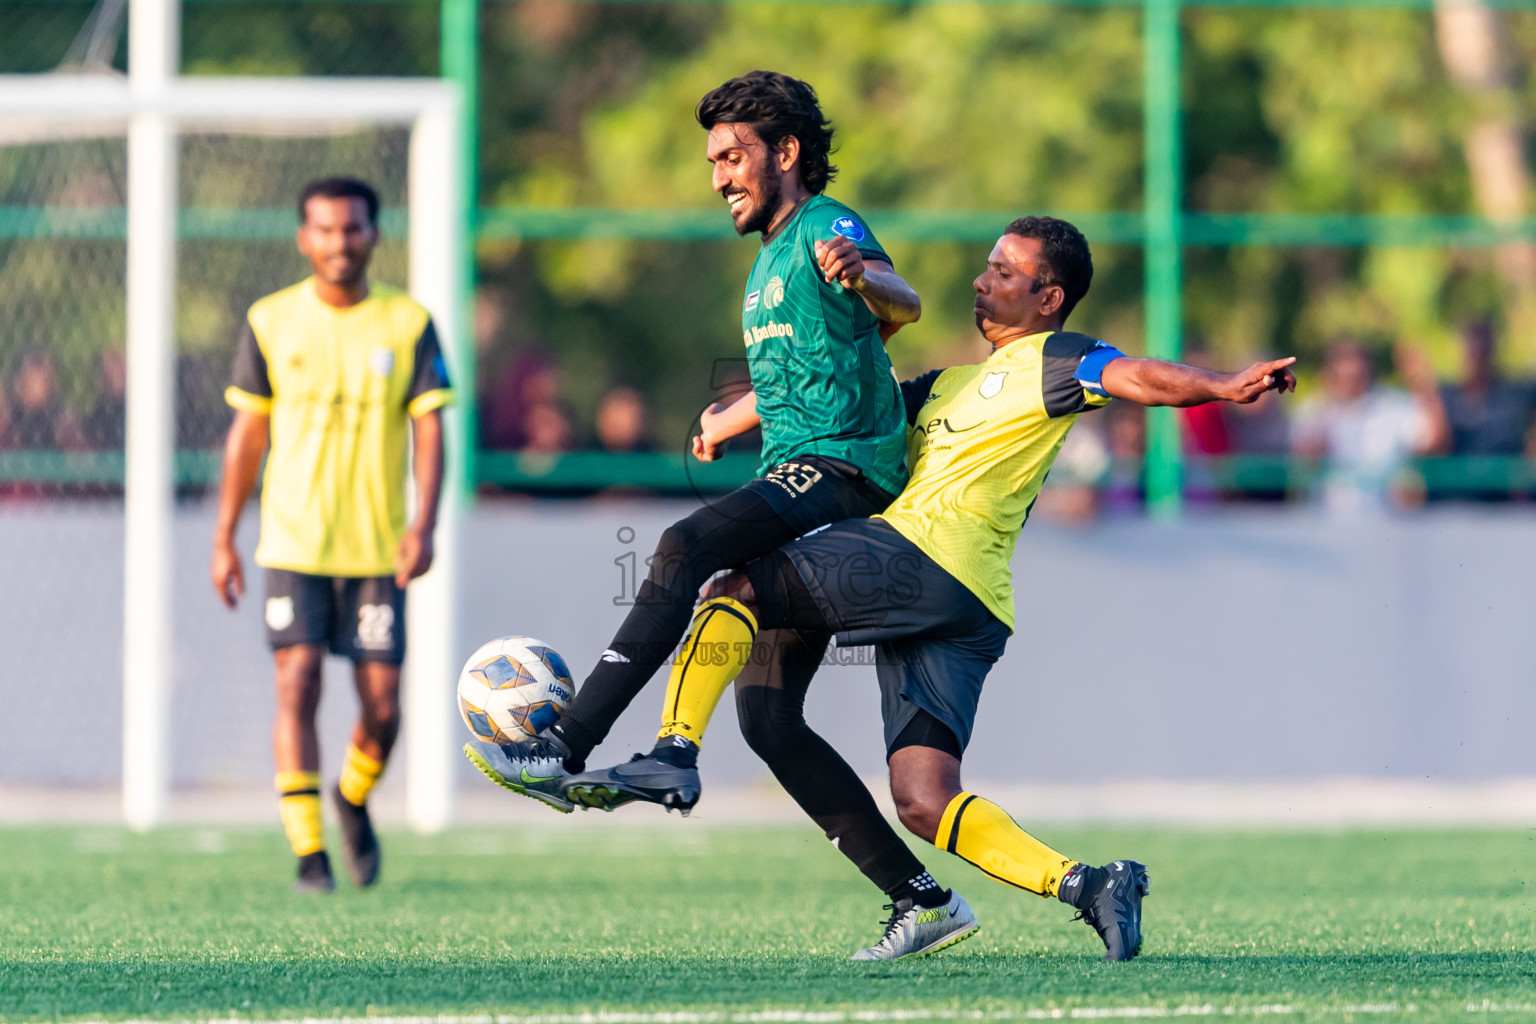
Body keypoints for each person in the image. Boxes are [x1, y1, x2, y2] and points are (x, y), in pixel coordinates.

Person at [567, 217, 1297, 961]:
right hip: (966, 608)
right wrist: (733, 415)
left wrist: (1223, 386)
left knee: (739, 588)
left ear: (1049, 297)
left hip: (927, 558)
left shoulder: (1057, 358)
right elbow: (834, 395)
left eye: (1005, 272)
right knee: (922, 796)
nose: (982, 281)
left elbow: (1135, 375)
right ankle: (1086, 886)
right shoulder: (944, 387)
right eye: (986, 266)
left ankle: (673, 750)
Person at [464, 70, 922, 809]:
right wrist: (728, 420)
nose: (717, 179)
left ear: (787, 152)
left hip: (844, 468)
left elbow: (905, 301)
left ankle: (564, 746)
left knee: (684, 545)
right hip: (806, 461)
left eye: (732, 158)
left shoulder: (826, 225)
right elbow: (806, 372)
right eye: (713, 162)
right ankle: (922, 900)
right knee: (769, 719)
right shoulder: (767, 261)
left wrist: (865, 278)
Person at [209, 177, 453, 893]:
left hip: (378, 548)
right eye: (324, 229)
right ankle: (309, 850)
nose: (339, 242)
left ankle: (351, 796)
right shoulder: (270, 319)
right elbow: (246, 435)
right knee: (299, 679)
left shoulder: (408, 322)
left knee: (383, 706)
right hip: (293, 544)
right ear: (302, 238)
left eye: (352, 229)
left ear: (374, 235)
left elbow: (430, 427)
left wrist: (424, 523)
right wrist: (224, 535)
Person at [1291, 339, 1444, 514]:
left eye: (1357, 376)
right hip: (1327, 526)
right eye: (1343, 376)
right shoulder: (1313, 409)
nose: (1350, 382)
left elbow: (1434, 442)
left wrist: (1422, 380)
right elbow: (1303, 460)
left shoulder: (1393, 406)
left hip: (1386, 524)